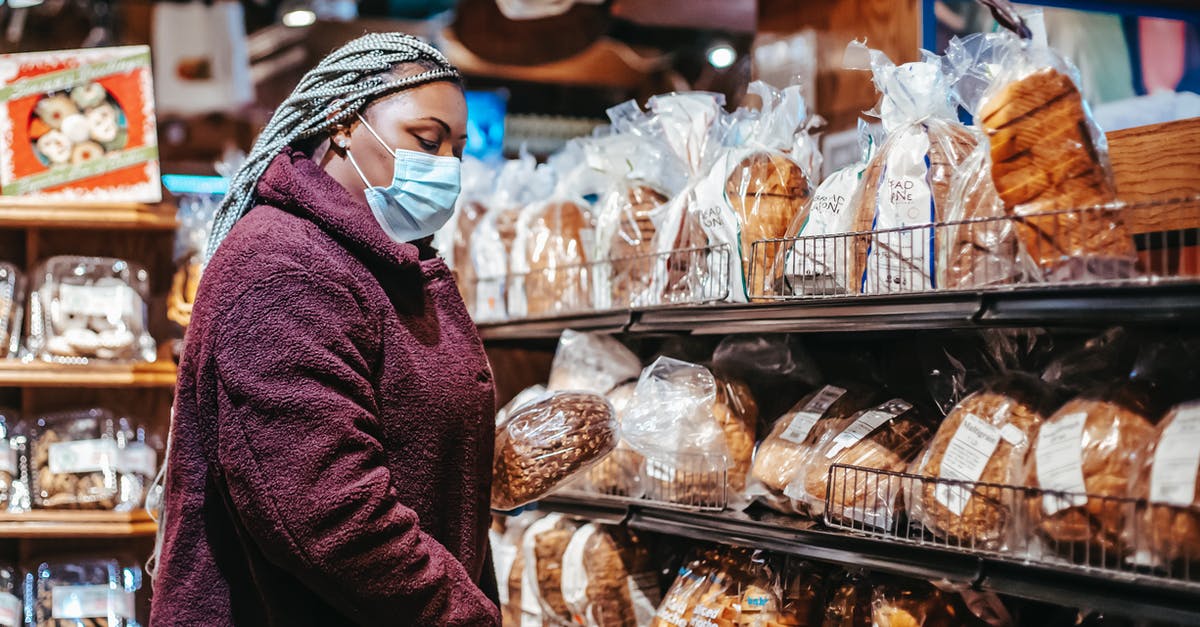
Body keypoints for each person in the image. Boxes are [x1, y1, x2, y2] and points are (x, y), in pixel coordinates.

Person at [150, 33, 500, 626]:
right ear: (341, 123)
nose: (446, 169)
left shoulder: (374, 262)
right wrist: (467, 616)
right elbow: (329, 514)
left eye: (457, 150)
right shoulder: (283, 266)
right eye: (426, 140)